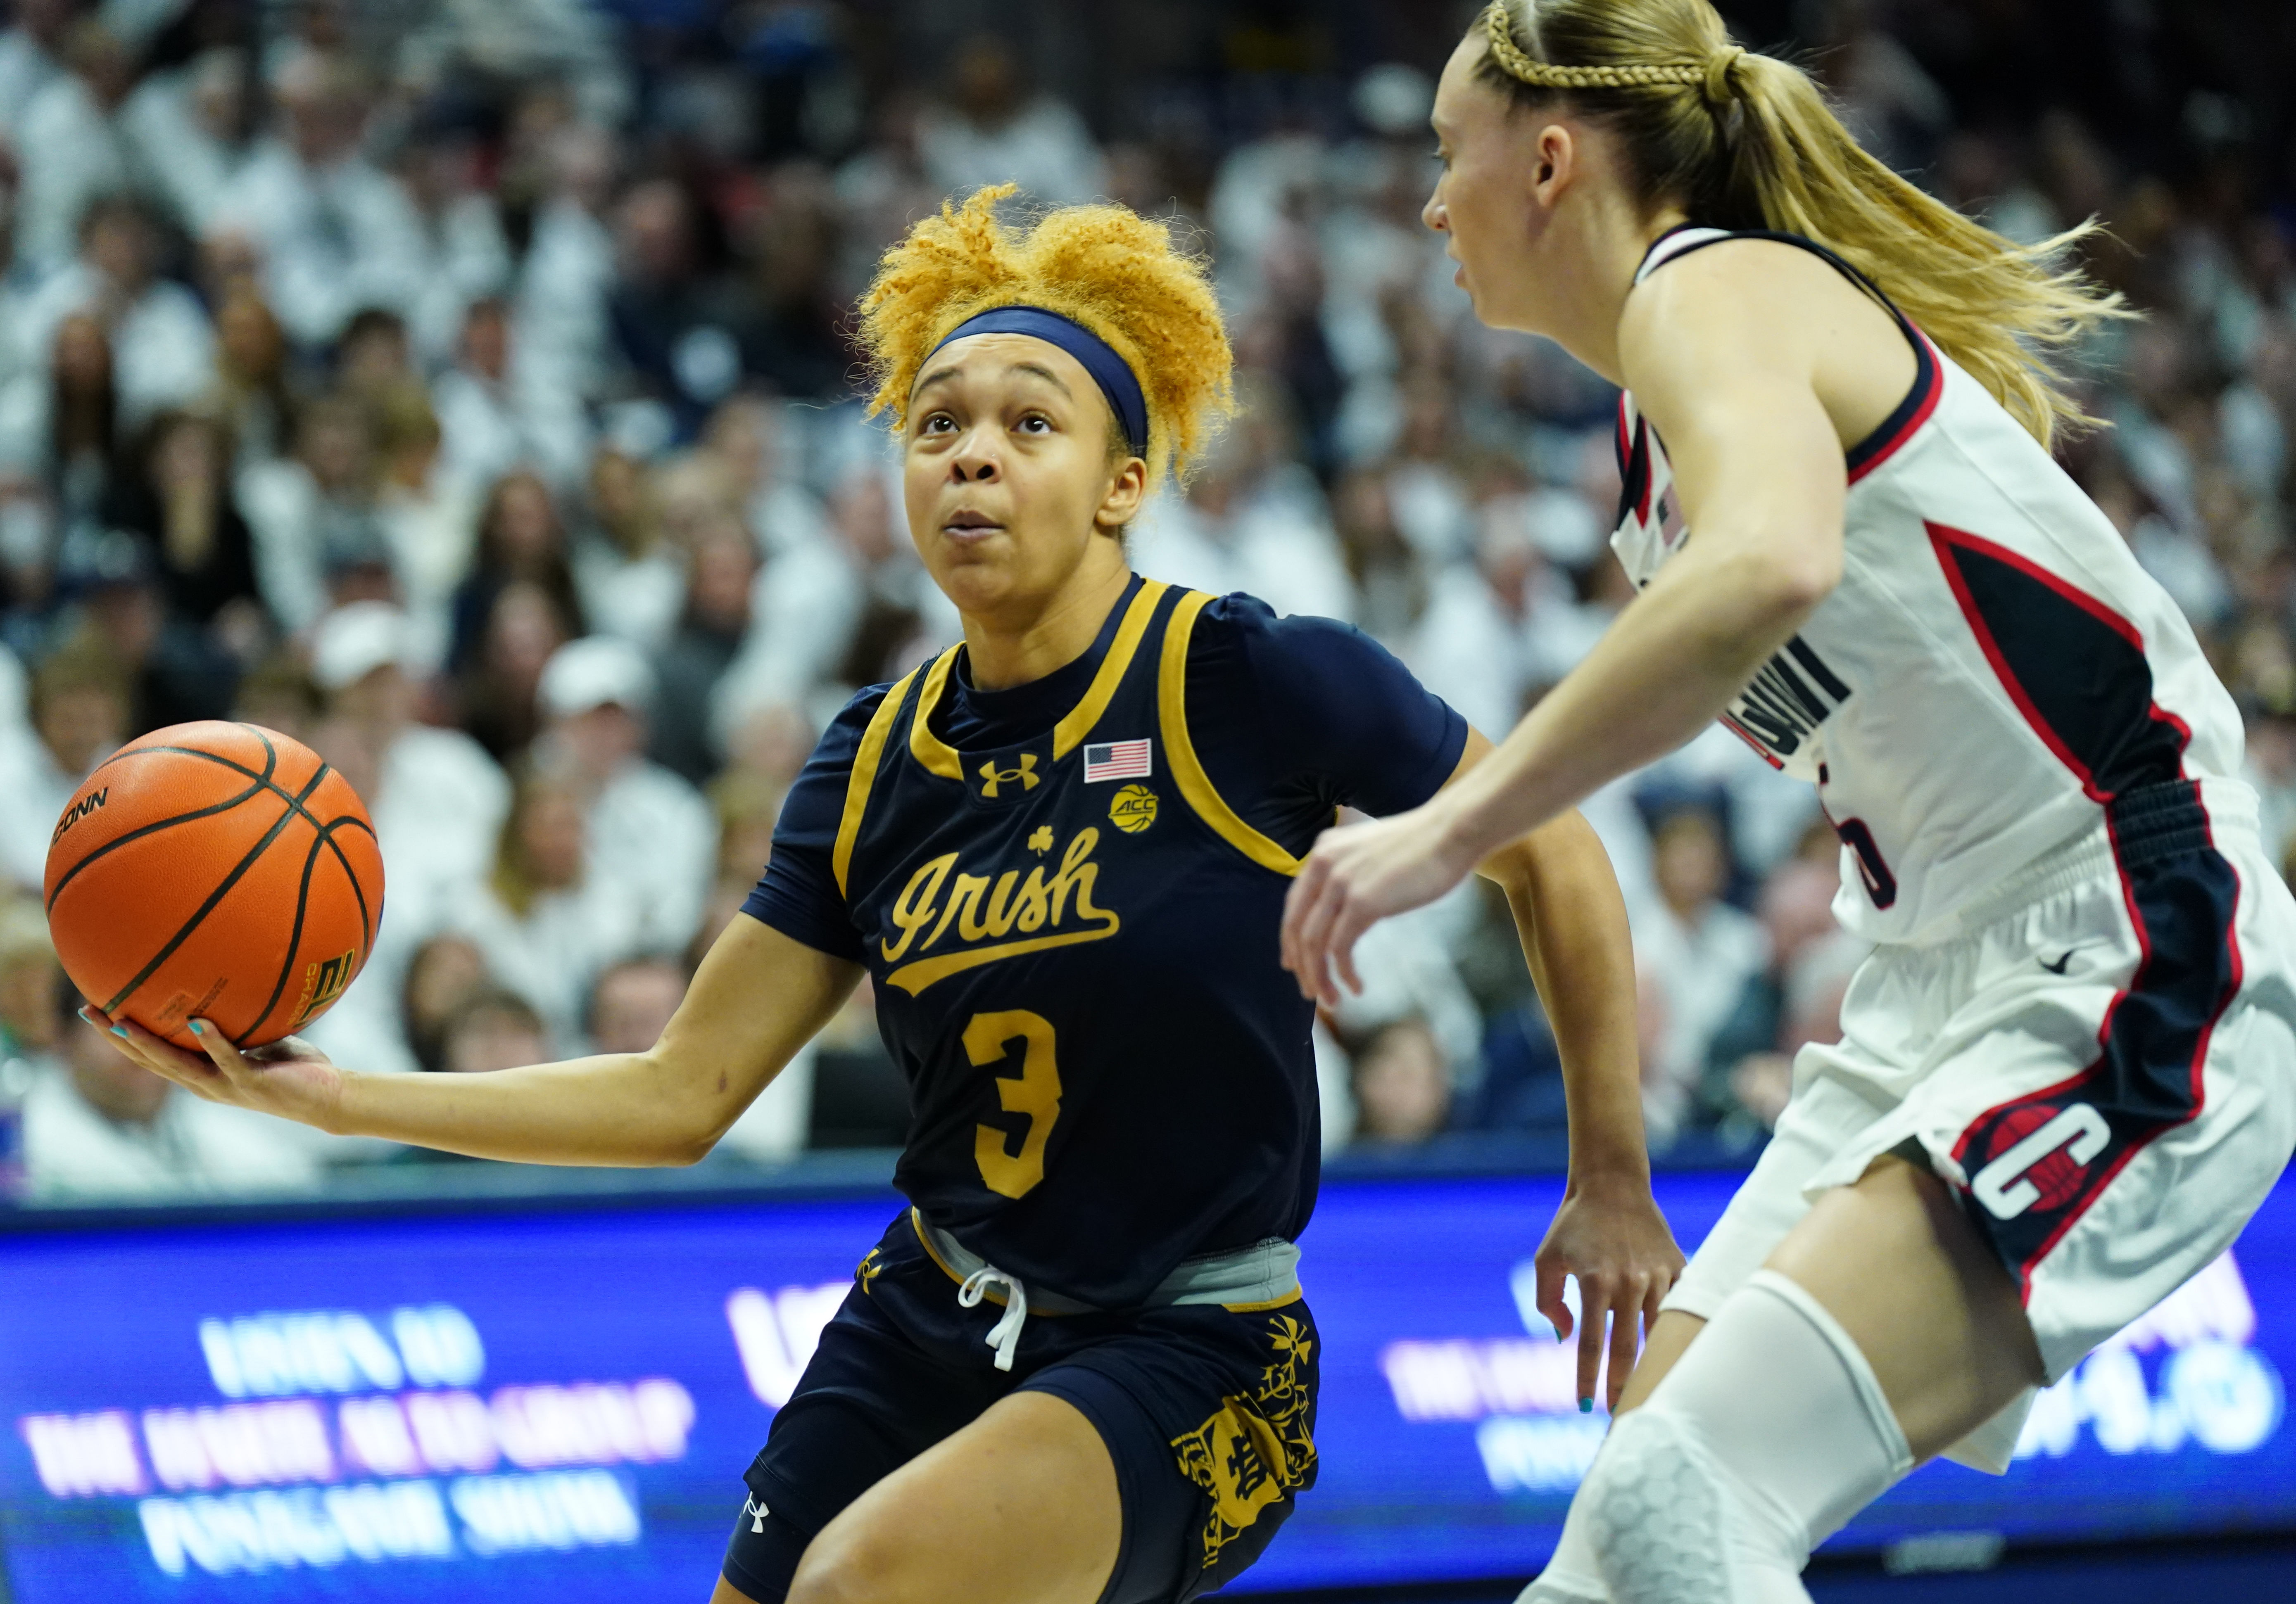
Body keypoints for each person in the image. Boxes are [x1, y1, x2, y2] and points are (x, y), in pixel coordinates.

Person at [92, 184, 1678, 1604]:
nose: (972, 449)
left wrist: (1609, 1171)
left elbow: (1554, 846)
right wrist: (333, 1100)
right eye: (935, 422)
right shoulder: (869, 764)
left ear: (1126, 481)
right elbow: (678, 1091)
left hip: (1199, 1348)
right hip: (932, 1308)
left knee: (866, 1593)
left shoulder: (1248, 678)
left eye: (1028, 421)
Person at [1278, 5, 2296, 1601]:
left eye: (1439, 157)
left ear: (1548, 160)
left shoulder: (1718, 289)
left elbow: (1774, 562)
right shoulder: (1648, 412)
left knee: (1689, 1500)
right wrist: (1612, 1172)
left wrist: (1447, 829)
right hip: (1935, 981)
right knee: (1613, 1555)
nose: (1425, 204)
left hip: (2132, 933)